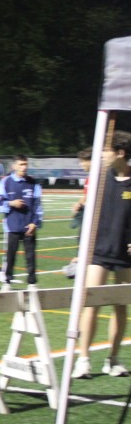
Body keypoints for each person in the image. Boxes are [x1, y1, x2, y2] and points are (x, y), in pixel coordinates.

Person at [72, 131, 131, 379]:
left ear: (121, 153)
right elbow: (88, 213)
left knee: (121, 307)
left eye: (107, 150)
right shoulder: (100, 177)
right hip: (99, 251)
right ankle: (83, 360)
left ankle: (112, 359)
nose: (103, 154)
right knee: (91, 303)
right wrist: (80, 249)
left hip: (125, 255)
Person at [0, 155, 42, 286]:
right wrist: (11, 203)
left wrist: (35, 223)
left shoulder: (33, 183)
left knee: (30, 257)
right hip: (12, 226)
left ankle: (32, 284)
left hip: (29, 226)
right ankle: (7, 282)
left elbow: (38, 205)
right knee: (10, 256)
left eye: (25, 164)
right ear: (14, 166)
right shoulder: (6, 182)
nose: (24, 167)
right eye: (21, 164)